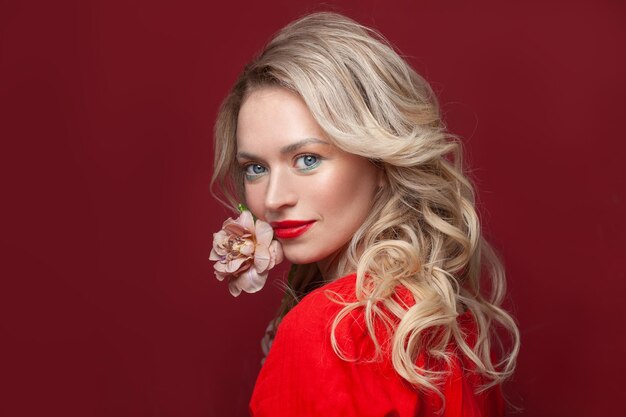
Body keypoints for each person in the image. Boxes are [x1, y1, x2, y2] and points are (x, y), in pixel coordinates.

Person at [211, 11, 520, 417]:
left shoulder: (326, 330)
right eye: (256, 168)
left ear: (378, 161)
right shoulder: (443, 318)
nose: (273, 198)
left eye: (307, 159)